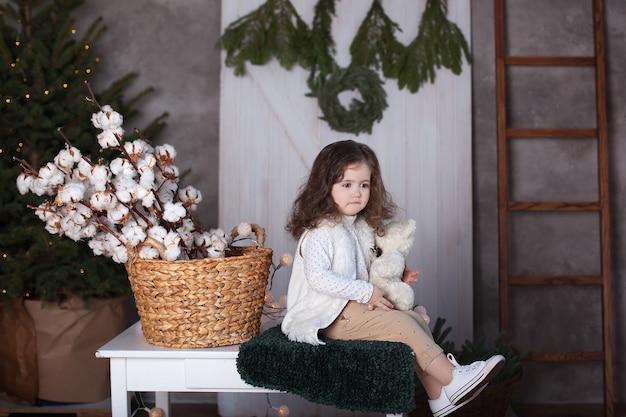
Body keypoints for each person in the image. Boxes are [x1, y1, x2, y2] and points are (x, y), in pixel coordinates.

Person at [281, 140, 504, 417]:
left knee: (411, 318)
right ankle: (451, 377)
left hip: (350, 309)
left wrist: (398, 272)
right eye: (347, 184)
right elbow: (319, 279)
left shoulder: (358, 227)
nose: (357, 193)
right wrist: (366, 292)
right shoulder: (320, 231)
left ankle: (437, 396)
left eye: (364, 185)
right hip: (326, 317)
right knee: (401, 324)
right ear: (325, 187)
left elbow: (370, 263)